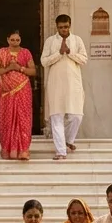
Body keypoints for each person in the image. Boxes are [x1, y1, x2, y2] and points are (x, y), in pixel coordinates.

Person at [40, 14, 88, 160]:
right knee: (57, 117)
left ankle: (68, 140)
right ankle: (61, 151)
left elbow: (84, 59)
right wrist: (58, 54)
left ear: (70, 25)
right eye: (60, 27)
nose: (63, 30)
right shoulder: (50, 41)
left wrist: (70, 52)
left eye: (66, 27)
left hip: (73, 83)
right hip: (56, 84)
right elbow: (44, 61)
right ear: (57, 27)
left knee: (77, 116)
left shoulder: (77, 40)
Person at [0, 30, 36, 160]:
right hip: (6, 91)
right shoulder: (1, 53)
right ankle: (7, 149)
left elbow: (33, 71)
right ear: (7, 40)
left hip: (23, 90)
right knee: (7, 117)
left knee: (23, 118)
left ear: (20, 40)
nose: (15, 43)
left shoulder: (26, 53)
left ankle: (23, 150)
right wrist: (9, 69)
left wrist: (19, 68)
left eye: (17, 40)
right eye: (12, 40)